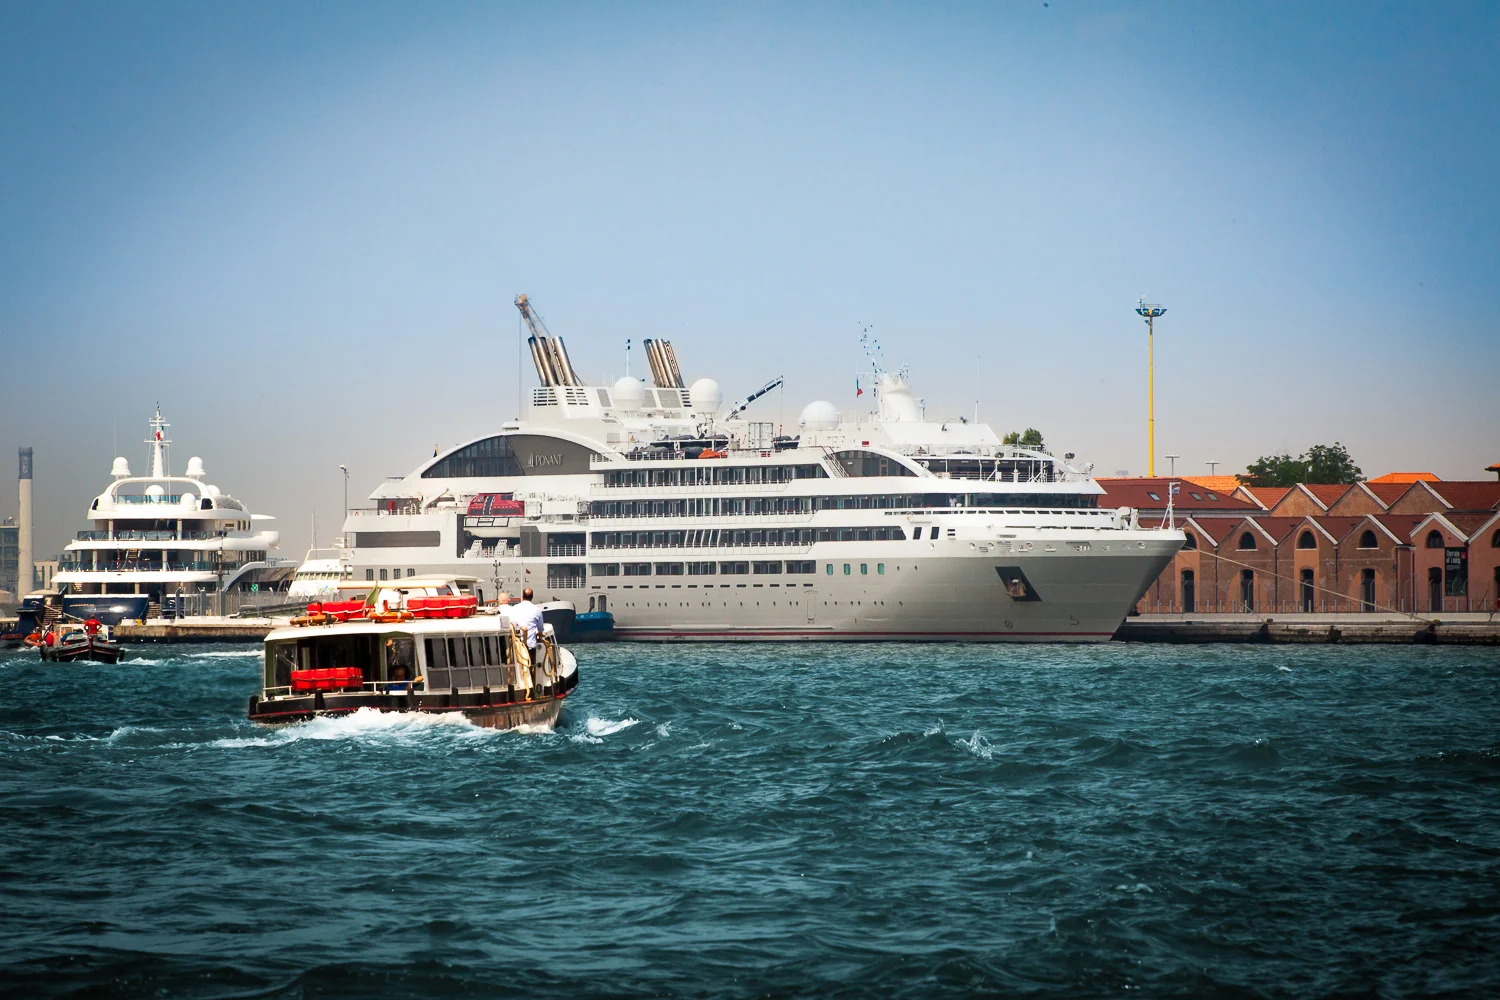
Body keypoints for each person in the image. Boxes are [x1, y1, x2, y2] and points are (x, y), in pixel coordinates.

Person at [510, 587, 545, 665]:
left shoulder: (514, 608)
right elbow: (540, 629)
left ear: (522, 597)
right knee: (530, 666)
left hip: (517, 645)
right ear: (532, 597)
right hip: (530, 645)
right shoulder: (537, 610)